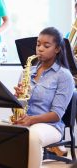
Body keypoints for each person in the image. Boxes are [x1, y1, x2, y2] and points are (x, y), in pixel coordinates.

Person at [12, 27, 74, 168]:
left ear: (57, 49)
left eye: (46, 46)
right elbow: (17, 108)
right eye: (38, 44)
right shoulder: (27, 71)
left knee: (33, 136)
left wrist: (31, 120)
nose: (40, 49)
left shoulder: (64, 76)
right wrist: (17, 99)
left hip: (51, 126)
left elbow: (57, 114)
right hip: (26, 121)